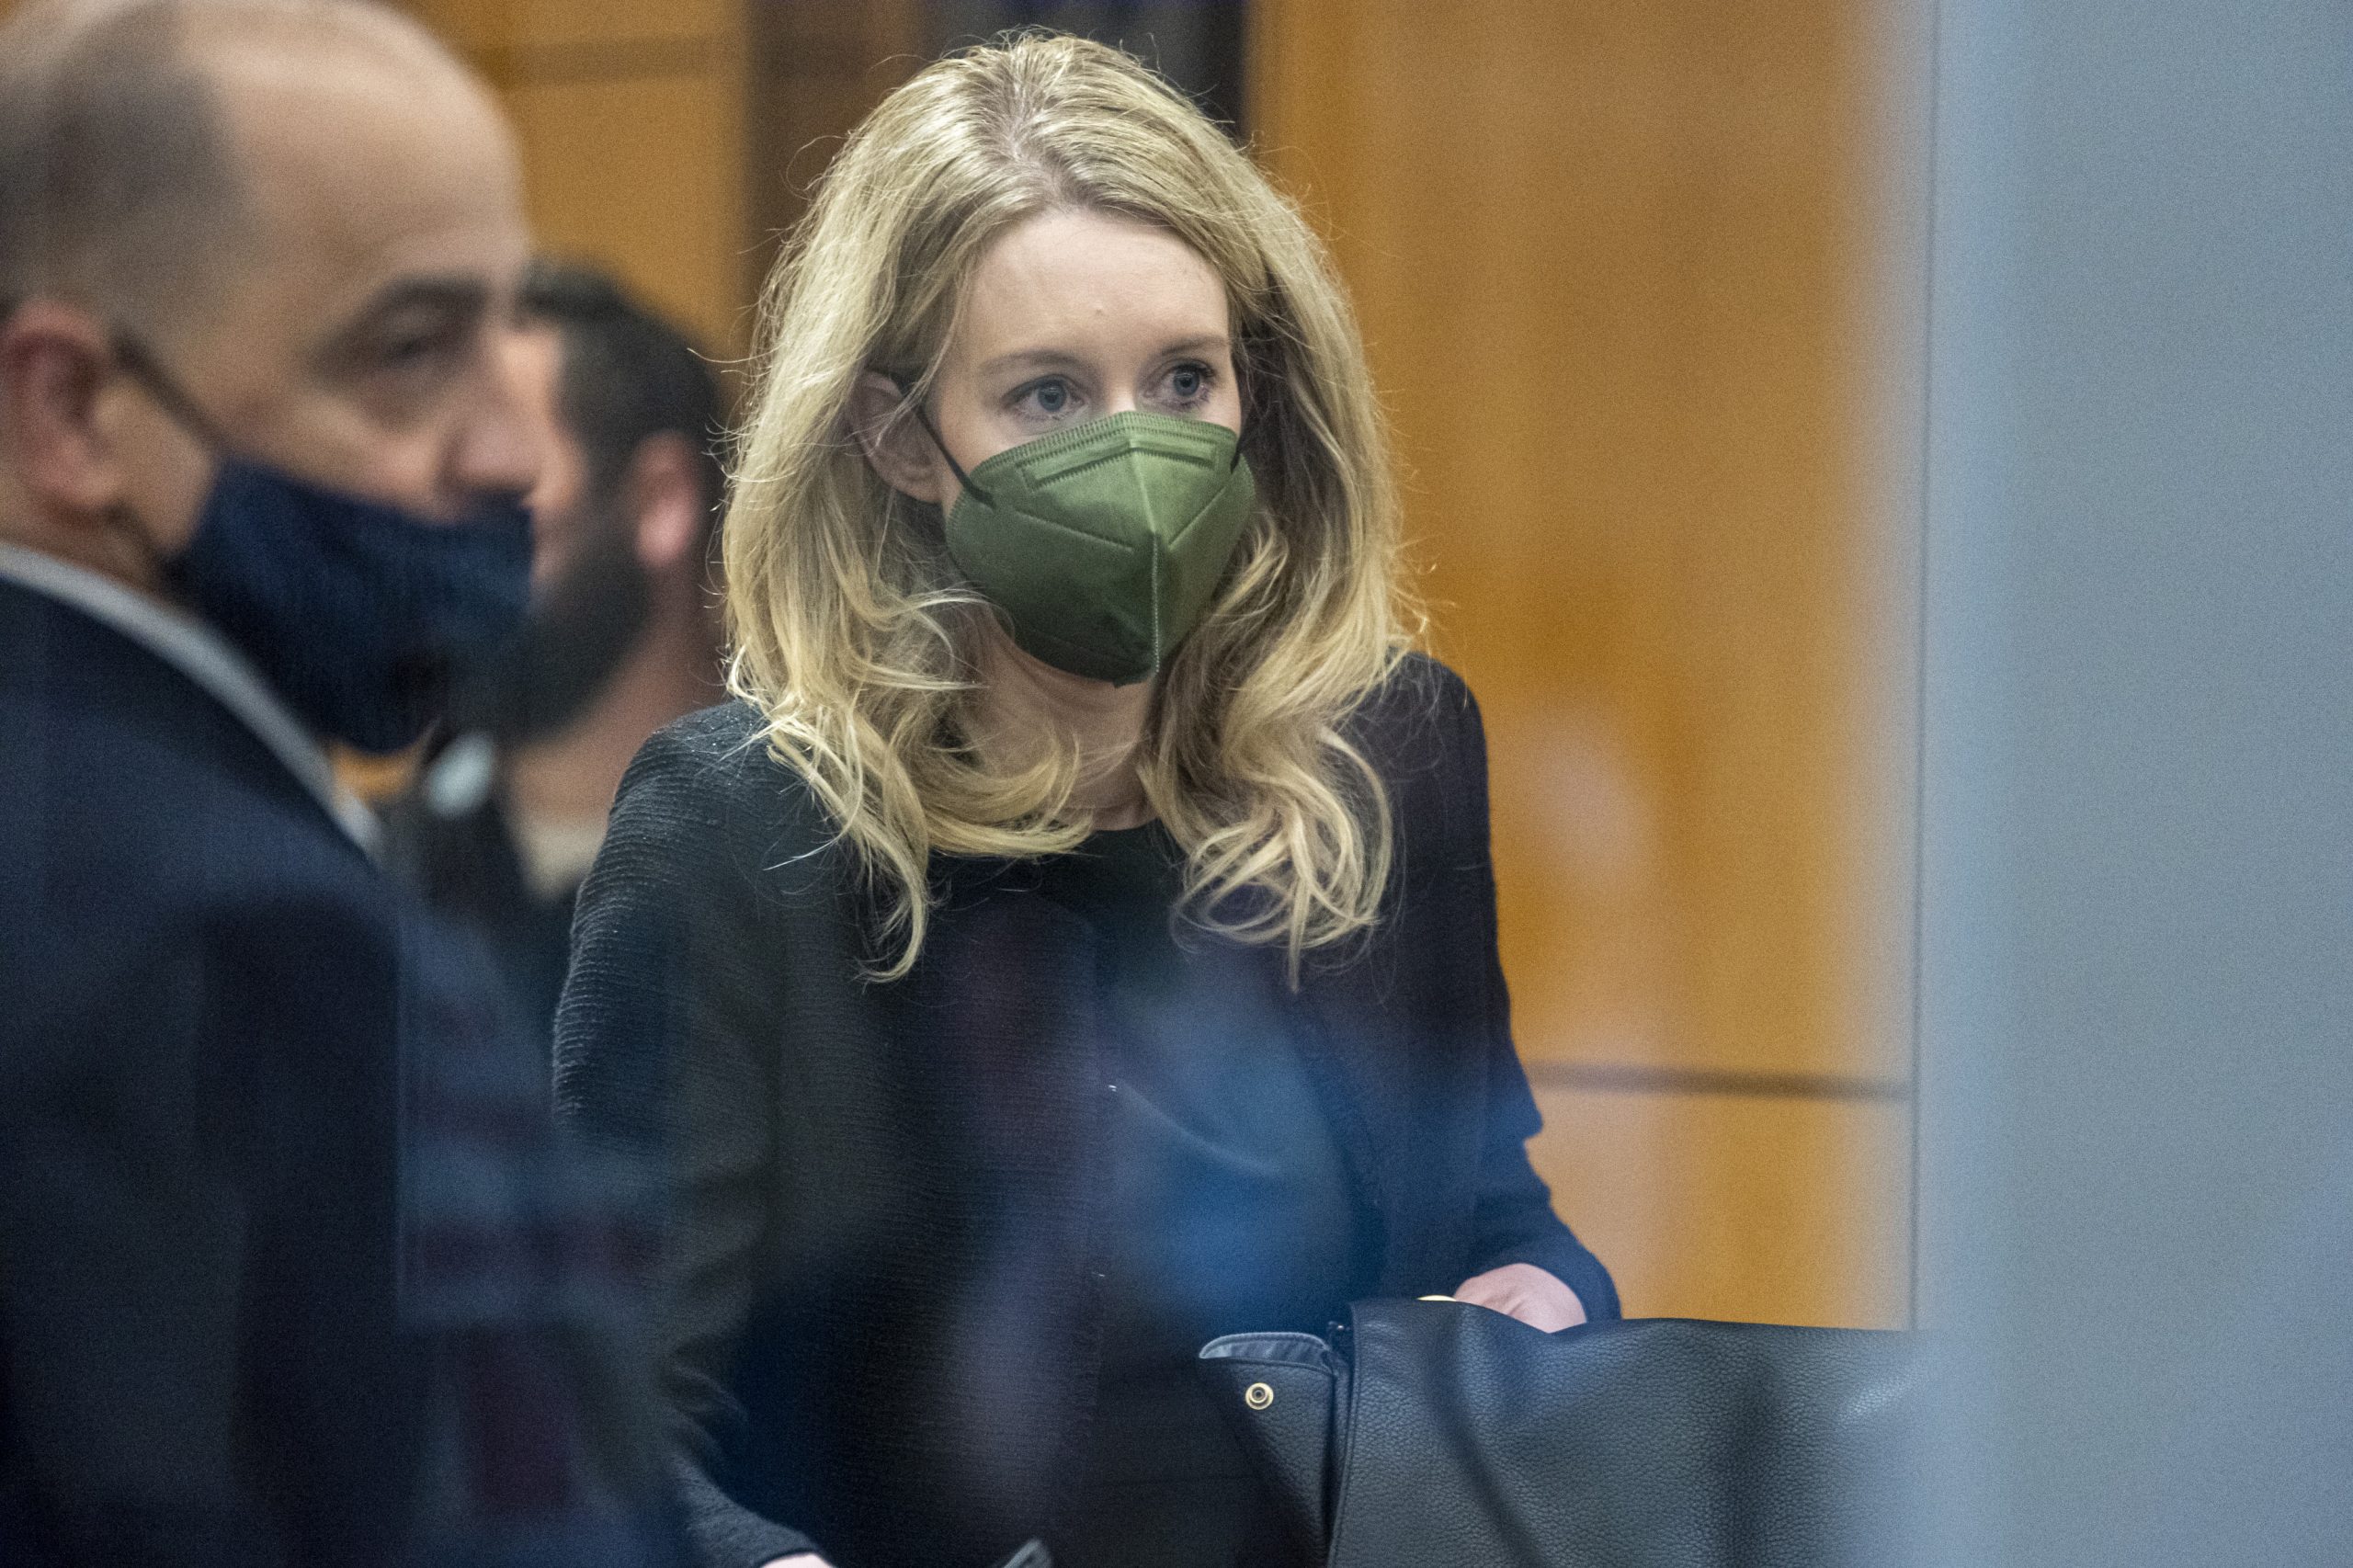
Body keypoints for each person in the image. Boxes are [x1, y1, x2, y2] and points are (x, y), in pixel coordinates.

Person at [557, 32, 1619, 1568]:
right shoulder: (732, 831)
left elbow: (1486, 1216)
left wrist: (1545, 1302)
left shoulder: (1387, 756)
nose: (1136, 457)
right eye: (1048, 394)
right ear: (898, 439)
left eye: (1184, 380)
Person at [0, 2, 673, 1560]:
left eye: (509, 333)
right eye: (410, 351)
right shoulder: (239, 935)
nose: (513, 450)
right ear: (73, 409)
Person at [390, 261, 728, 1046]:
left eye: (494, 504)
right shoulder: (371, 879)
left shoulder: (820, 882)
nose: (436, 563)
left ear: (658, 503)